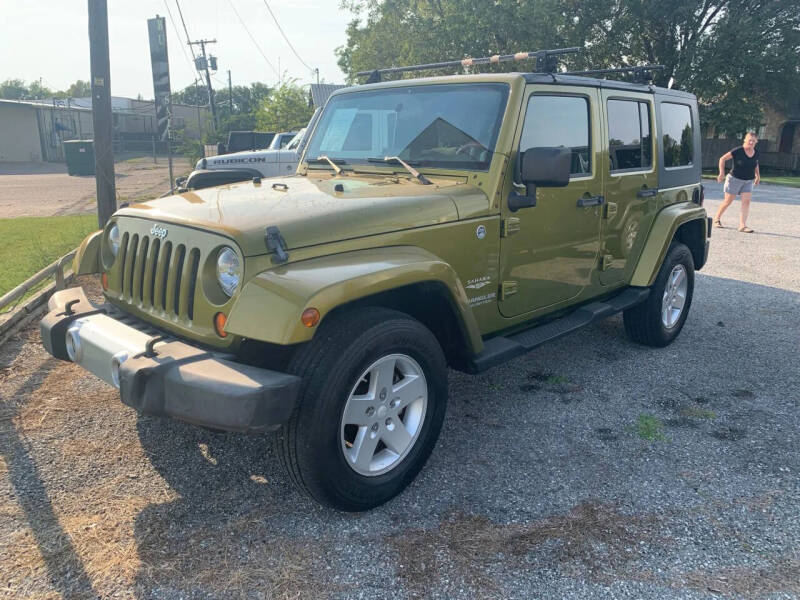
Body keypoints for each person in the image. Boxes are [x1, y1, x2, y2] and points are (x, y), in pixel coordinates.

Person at [714, 132, 761, 233]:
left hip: (748, 181)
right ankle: (717, 219)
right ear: (745, 140)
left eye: (753, 141)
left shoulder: (756, 152)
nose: (751, 142)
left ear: (756, 142)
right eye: (749, 140)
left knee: (746, 202)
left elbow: (755, 163)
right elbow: (722, 159)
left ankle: (742, 225)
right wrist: (721, 173)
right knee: (728, 201)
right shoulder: (738, 150)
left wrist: (758, 176)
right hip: (734, 179)